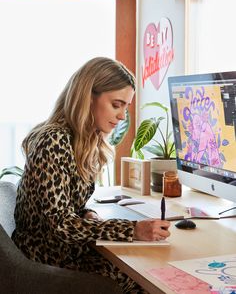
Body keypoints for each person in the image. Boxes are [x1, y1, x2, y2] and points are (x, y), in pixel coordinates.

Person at [12, 57, 171, 293]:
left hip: (66, 251)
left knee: (150, 271)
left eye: (126, 107)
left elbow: (66, 205)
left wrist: (87, 212)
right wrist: (133, 230)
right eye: (116, 104)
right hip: (48, 260)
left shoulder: (82, 140)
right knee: (147, 280)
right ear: (88, 97)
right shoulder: (53, 140)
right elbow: (62, 225)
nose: (121, 117)